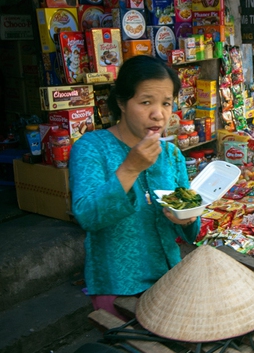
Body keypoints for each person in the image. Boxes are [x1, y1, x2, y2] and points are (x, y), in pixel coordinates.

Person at [69, 56, 200, 319]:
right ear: (121, 103)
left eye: (166, 103)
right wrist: (130, 168)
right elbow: (87, 216)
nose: (158, 114)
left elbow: (190, 230)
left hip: (168, 279)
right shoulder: (91, 148)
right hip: (119, 286)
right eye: (146, 102)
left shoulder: (172, 153)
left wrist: (186, 220)